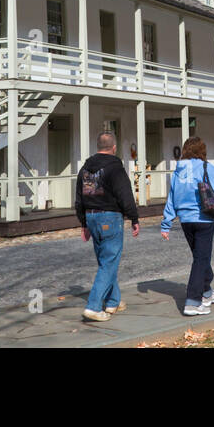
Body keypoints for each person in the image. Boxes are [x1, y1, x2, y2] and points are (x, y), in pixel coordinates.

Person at [75, 131, 140, 322]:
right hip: (110, 218)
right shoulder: (115, 167)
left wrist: (84, 223)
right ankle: (94, 306)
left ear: (98, 147)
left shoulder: (85, 169)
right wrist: (134, 218)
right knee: (109, 262)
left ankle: (113, 302)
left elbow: (79, 199)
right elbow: (125, 195)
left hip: (91, 217)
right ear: (113, 148)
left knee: (106, 261)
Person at [160, 136, 214, 316]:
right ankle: (193, 301)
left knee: (200, 257)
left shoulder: (177, 171)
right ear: (202, 151)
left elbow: (171, 198)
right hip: (204, 219)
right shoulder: (207, 167)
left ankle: (206, 292)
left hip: (185, 220)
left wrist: (166, 224)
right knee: (201, 258)